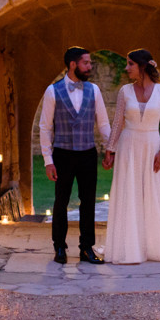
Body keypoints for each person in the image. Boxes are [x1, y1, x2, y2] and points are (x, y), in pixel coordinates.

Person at [39, 46, 110, 265]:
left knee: (88, 201)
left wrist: (110, 149)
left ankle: (86, 248)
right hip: (62, 154)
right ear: (73, 64)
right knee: (61, 201)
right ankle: (59, 246)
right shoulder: (52, 91)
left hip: (88, 153)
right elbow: (45, 128)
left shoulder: (94, 90)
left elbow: (103, 123)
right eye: (86, 63)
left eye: (90, 63)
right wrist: (48, 160)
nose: (90, 66)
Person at [102, 49, 160, 264]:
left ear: (142, 66)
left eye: (130, 64)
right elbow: (117, 123)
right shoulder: (124, 91)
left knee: (151, 194)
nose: (126, 68)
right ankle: (128, 247)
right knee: (128, 193)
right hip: (128, 146)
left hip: (152, 146)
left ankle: (152, 247)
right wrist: (110, 149)